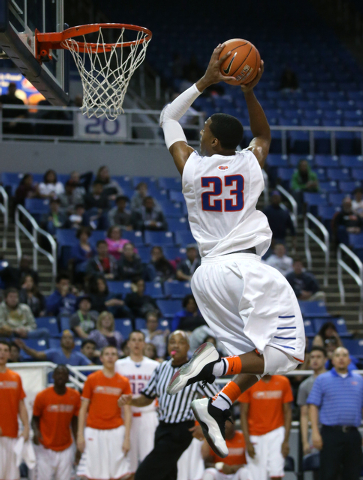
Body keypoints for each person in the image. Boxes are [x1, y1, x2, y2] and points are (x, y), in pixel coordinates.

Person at [162, 44, 304, 459]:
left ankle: (217, 403)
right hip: (244, 268)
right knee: (288, 355)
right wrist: (247, 90)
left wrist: (206, 80)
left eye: (203, 126)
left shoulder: (191, 166)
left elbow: (168, 117)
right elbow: (263, 135)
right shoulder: (249, 164)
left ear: (213, 139)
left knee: (256, 357)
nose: (200, 129)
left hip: (207, 275)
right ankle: (213, 368)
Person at [118, 331, 218, 480]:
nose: (175, 345)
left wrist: (205, 427)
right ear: (167, 346)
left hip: (181, 430)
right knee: (167, 474)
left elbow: (218, 400)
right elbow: (147, 397)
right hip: (162, 428)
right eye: (172, 341)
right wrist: (130, 400)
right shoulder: (161, 368)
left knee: (144, 473)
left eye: (181, 342)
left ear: (188, 346)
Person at [77, 345, 132, 480]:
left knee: (118, 473)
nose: (110, 357)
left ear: (117, 358)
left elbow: (128, 411)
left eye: (113, 354)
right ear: (101, 358)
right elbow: (83, 408)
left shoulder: (123, 382)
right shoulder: (91, 379)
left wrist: (127, 438)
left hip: (116, 430)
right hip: (93, 430)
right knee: (93, 473)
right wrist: (80, 434)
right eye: (107, 354)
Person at [308, 347, 363, 480]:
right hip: (330, 434)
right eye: (338, 355)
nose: (341, 358)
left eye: (344, 355)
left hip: (353, 434)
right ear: (332, 360)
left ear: (349, 360)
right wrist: (315, 432)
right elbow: (313, 406)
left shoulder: (360, 380)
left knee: (353, 474)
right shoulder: (322, 379)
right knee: (328, 474)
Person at [115, 330, 160, 473]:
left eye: (140, 340)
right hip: (127, 416)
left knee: (150, 458)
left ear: (144, 343)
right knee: (127, 460)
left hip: (148, 414)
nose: (137, 343)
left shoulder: (154, 365)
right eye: (133, 340)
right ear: (128, 343)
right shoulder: (119, 364)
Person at [32, 365, 81, 480]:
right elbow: (34, 419)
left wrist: (78, 446)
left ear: (68, 377)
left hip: (65, 447)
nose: (60, 376)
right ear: (53, 376)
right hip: (45, 446)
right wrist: (36, 432)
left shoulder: (75, 396)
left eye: (63, 374)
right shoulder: (42, 396)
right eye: (58, 373)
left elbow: (75, 422)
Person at [239, 375, 293, 480]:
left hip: (276, 432)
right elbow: (243, 414)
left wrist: (286, 441)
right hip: (254, 434)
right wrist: (247, 442)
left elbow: (288, 412)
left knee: (276, 474)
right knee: (257, 477)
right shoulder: (248, 382)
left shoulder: (283, 381)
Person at [0, 340, 30, 480]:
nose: (2, 353)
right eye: (0, 350)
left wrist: (26, 427)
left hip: (12, 434)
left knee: (12, 476)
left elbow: (21, 404)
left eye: (6, 350)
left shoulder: (15, 377)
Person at [296, 346, 327, 459]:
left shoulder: (335, 380)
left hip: (334, 429)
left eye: (318, 357)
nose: (315, 360)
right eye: (312, 357)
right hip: (315, 431)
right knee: (317, 470)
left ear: (326, 360)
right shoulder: (305, 385)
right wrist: (305, 442)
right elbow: (304, 415)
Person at [15, 330, 91, 366]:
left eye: (70, 338)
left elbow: (91, 366)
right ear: (61, 341)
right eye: (65, 338)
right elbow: (37, 354)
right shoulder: (54, 352)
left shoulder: (78, 356)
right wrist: (25, 348)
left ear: (73, 341)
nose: (67, 340)